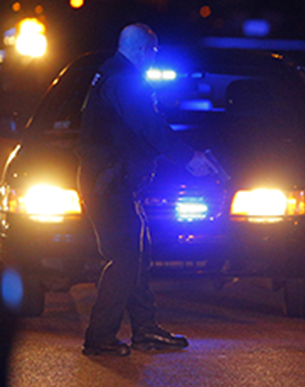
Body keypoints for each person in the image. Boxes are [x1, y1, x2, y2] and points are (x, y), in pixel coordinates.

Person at [77, 23, 217, 356]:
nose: (153, 59)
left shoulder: (112, 74)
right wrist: (188, 158)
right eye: (153, 53)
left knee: (136, 256)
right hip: (109, 185)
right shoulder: (125, 81)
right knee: (125, 257)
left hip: (116, 184)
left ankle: (145, 331)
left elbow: (137, 131)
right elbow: (148, 126)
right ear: (144, 50)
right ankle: (99, 338)